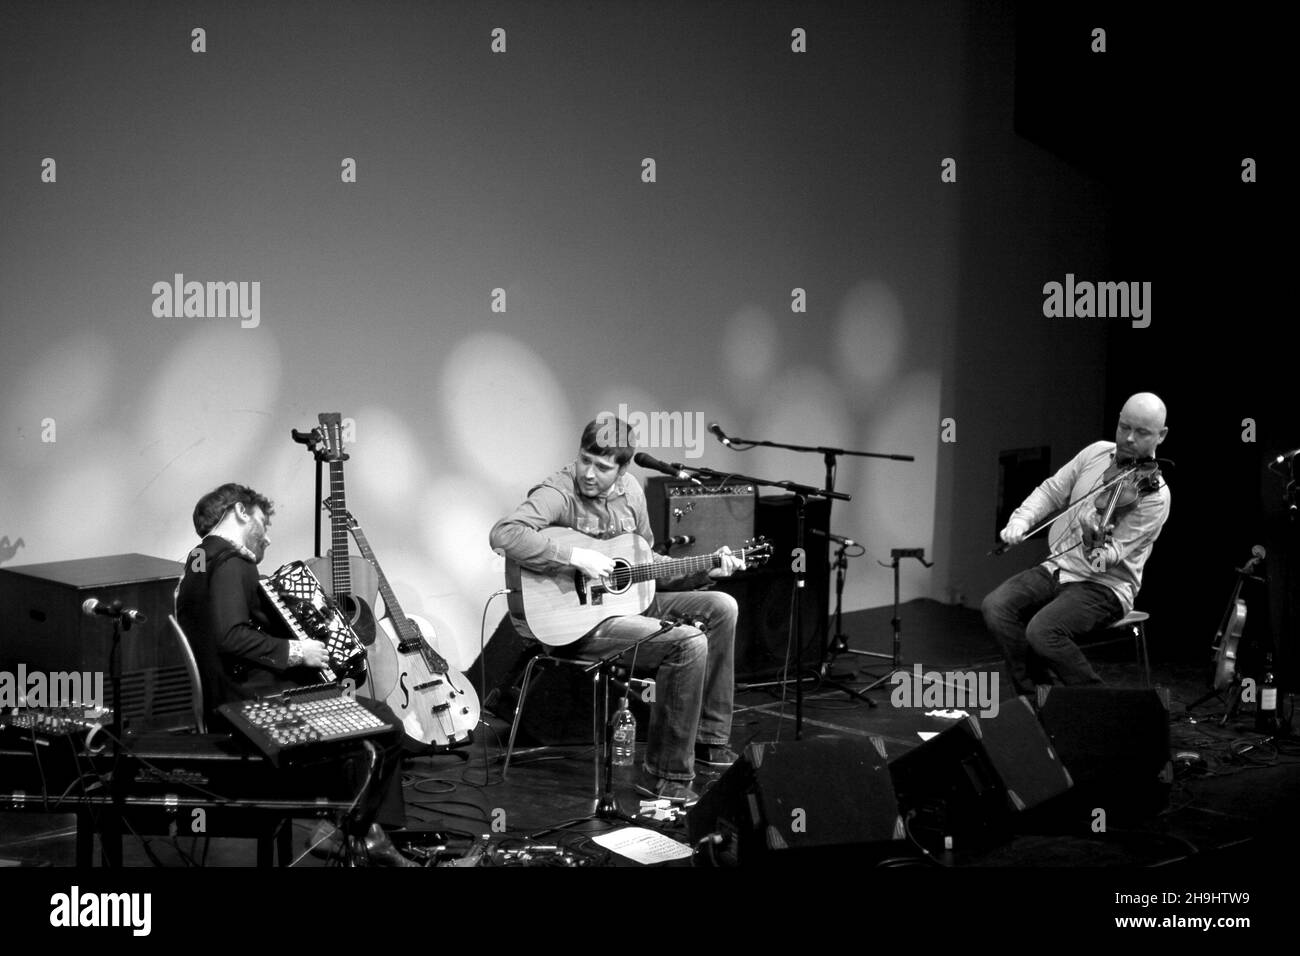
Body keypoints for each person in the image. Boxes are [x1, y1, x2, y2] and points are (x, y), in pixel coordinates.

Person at [490, 418, 744, 806]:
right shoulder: (558, 491)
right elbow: (504, 534)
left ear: (624, 469)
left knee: (722, 607)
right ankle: (664, 777)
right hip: (573, 624)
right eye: (585, 460)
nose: (589, 474)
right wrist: (576, 557)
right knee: (687, 643)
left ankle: (711, 740)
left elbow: (645, 569)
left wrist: (704, 569)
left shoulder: (632, 495)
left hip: (627, 603)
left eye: (603, 467)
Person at [174, 482, 417, 866]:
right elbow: (230, 636)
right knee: (384, 723)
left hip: (233, 702)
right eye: (262, 522)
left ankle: (363, 830)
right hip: (255, 712)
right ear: (240, 511)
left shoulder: (199, 562)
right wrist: (298, 651)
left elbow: (227, 633)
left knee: (361, 712)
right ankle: (354, 829)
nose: (267, 538)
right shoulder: (230, 562)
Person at [982, 393, 1172, 695]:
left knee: (1043, 631)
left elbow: (1106, 559)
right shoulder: (1097, 452)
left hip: (1105, 585)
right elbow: (1052, 490)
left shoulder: (1154, 497)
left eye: (1142, 432)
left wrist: (1089, 536)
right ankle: (1037, 697)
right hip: (1057, 567)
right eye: (1124, 427)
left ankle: (1098, 705)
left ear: (1161, 435)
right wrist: (1022, 520)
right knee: (996, 606)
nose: (1130, 439)